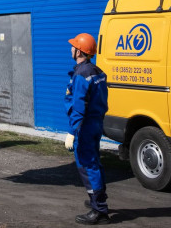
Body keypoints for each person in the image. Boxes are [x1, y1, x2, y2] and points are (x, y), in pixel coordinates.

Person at [64, 32, 109, 225]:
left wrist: (73, 132)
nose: (71, 48)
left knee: (87, 166)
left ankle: (99, 210)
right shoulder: (96, 71)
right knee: (94, 163)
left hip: (85, 126)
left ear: (79, 51)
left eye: (73, 46)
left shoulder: (82, 75)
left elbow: (79, 106)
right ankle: (96, 200)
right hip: (95, 123)